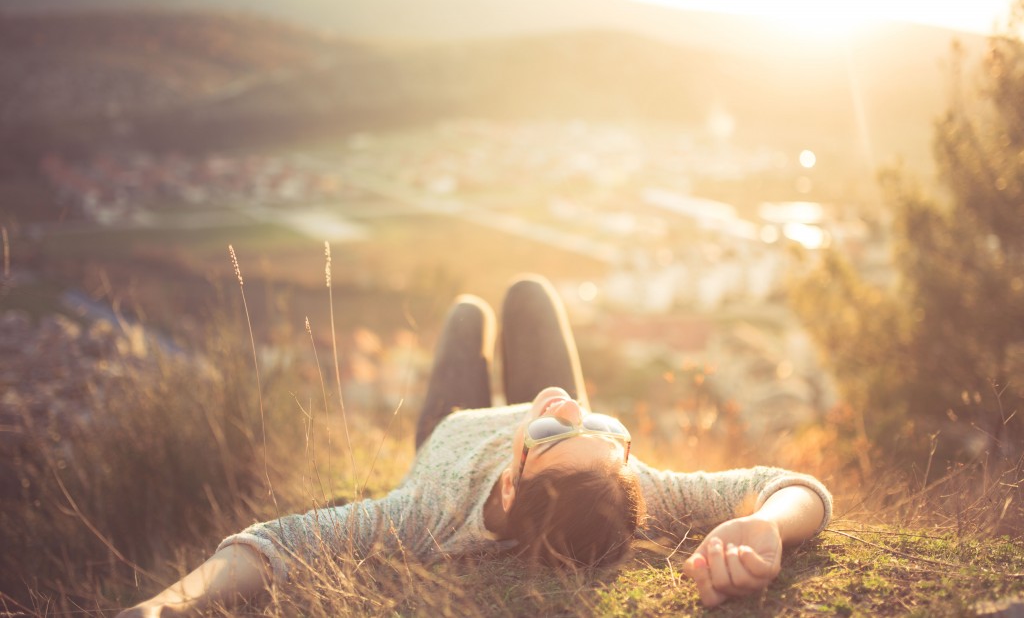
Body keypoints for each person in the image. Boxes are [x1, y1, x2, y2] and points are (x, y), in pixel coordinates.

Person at [118, 275, 831, 616]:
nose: (575, 410)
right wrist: (766, 523)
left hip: (450, 429)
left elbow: (276, 542)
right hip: (533, 443)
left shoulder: (426, 513)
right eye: (606, 433)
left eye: (557, 434)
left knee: (466, 314)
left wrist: (164, 605)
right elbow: (794, 484)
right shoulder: (627, 477)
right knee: (528, 294)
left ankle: (473, 333)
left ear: (514, 480)